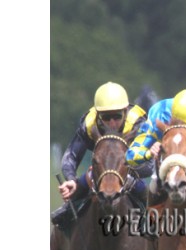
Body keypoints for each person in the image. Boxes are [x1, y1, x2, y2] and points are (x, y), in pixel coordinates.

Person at [51, 82, 152, 228]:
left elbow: (149, 166)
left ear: (125, 112)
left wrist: (122, 170)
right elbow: (71, 157)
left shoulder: (138, 124)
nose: (112, 123)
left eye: (117, 116)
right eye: (106, 117)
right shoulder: (89, 124)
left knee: (138, 186)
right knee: (88, 176)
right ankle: (66, 215)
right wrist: (71, 179)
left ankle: (153, 220)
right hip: (99, 169)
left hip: (129, 169)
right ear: (98, 115)